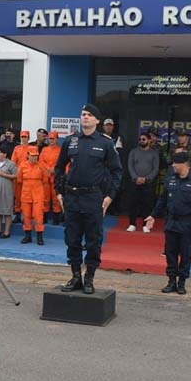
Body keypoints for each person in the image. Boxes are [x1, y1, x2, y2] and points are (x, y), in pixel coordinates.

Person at [55, 104, 123, 294]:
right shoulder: (70, 141)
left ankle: (89, 278)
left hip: (93, 198)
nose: (85, 117)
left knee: (93, 240)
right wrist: (59, 192)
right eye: (83, 114)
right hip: (72, 197)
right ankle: (76, 276)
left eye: (89, 115)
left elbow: (117, 172)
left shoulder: (105, 143)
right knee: (72, 239)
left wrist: (110, 196)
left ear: (97, 120)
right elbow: (59, 168)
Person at [145, 152, 191, 295]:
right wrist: (153, 215)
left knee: (185, 254)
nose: (173, 165)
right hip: (171, 221)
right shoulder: (170, 180)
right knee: (170, 253)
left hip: (187, 222)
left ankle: (182, 282)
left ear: (184, 164)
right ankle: (171, 281)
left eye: (175, 163)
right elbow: (162, 200)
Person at [126, 132, 159, 233]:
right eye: (140, 139)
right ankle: (132, 224)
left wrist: (146, 179)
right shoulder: (133, 151)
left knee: (147, 204)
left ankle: (145, 225)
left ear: (149, 140)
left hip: (148, 183)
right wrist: (136, 178)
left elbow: (155, 168)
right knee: (133, 203)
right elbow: (130, 166)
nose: (141, 141)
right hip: (135, 182)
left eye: (144, 139)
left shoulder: (154, 153)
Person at [18, 145, 50, 245]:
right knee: (26, 215)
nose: (34, 157)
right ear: (28, 155)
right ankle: (27, 236)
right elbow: (19, 180)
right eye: (32, 155)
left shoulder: (41, 166)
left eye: (36, 155)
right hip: (26, 193)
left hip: (38, 193)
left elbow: (45, 180)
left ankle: (39, 237)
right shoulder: (22, 165)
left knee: (38, 215)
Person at [0, 147, 17, 238]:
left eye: (0, 152)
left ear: (5, 154)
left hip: (6, 187)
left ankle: (6, 231)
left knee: (6, 209)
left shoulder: (11, 164)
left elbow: (15, 175)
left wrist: (3, 174)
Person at [39, 131, 63, 224]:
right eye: (50, 139)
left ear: (57, 139)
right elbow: (41, 161)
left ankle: (56, 218)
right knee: (45, 197)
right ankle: (44, 217)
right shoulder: (44, 149)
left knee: (56, 197)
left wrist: (54, 169)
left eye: (53, 139)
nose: (51, 140)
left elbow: (61, 162)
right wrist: (47, 169)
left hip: (55, 176)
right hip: (46, 176)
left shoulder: (60, 150)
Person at [11, 130, 31, 222]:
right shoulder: (17, 148)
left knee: (27, 196)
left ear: (28, 138)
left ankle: (26, 215)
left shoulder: (32, 148)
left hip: (28, 176)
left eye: (25, 137)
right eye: (22, 137)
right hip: (18, 175)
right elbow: (13, 162)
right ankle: (18, 214)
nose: (23, 139)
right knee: (18, 196)